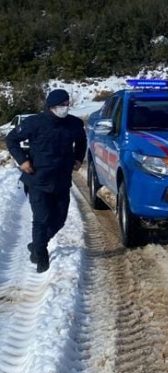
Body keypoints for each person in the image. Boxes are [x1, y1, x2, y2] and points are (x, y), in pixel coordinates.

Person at [5, 89, 86, 273]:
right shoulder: (34, 123)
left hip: (62, 179)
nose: (65, 108)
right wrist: (22, 160)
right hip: (37, 179)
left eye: (67, 104)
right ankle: (41, 258)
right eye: (61, 105)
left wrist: (78, 158)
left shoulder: (74, 124)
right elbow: (11, 140)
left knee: (59, 219)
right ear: (50, 107)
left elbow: (82, 141)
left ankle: (36, 244)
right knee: (41, 219)